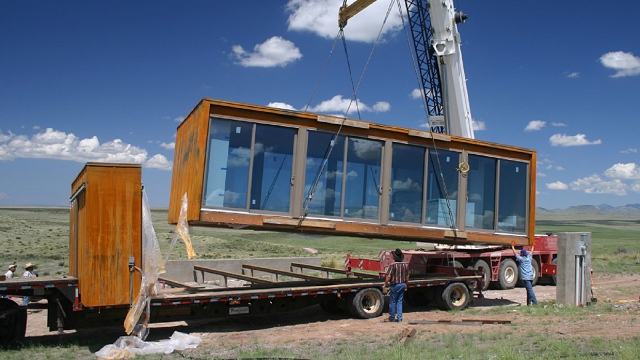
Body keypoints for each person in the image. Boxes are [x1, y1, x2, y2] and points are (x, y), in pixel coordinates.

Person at [383, 249, 409, 322]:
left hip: (395, 285)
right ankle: (400, 318)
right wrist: (406, 284)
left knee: (393, 301)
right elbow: (407, 275)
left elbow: (388, 276)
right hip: (403, 284)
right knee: (399, 301)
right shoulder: (405, 265)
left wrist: (385, 285)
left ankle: (392, 317)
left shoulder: (392, 265)